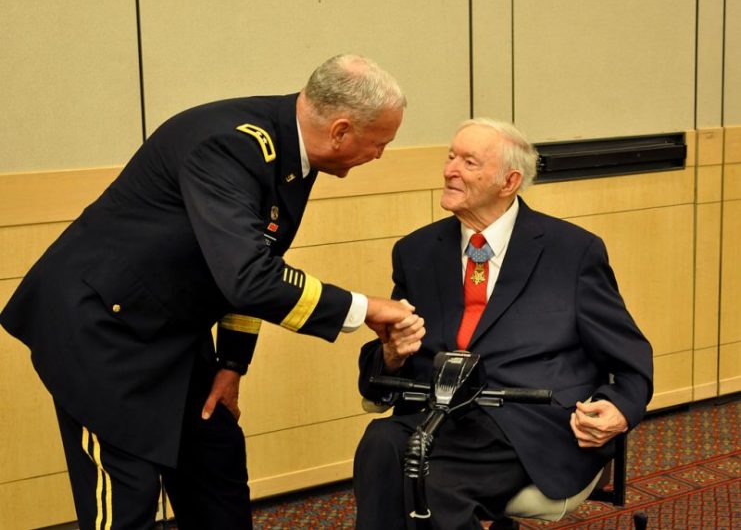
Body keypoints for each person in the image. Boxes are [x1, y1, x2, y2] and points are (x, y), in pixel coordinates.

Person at [0, 54, 415, 530]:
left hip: (173, 329)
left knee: (216, 475)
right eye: (379, 142)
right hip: (101, 332)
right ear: (341, 130)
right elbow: (249, 276)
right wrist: (362, 308)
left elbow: (255, 264)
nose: (380, 155)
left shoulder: (293, 151)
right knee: (125, 502)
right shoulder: (230, 145)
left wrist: (231, 364)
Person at [353, 118, 654, 529]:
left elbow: (631, 357)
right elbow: (383, 363)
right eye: (450, 156)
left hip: (528, 423)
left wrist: (621, 409)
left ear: (508, 181)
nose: (449, 170)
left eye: (469, 162)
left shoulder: (572, 251)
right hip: (439, 415)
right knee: (379, 445)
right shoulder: (417, 252)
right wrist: (390, 354)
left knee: (429, 482)